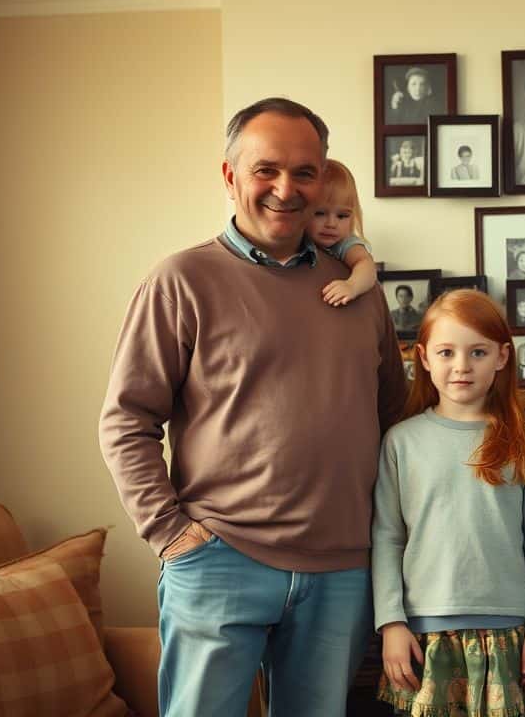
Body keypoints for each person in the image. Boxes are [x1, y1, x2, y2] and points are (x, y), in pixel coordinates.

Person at [99, 97, 408, 716]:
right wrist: (171, 535)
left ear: (324, 176)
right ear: (230, 175)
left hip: (342, 569)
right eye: (266, 169)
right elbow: (126, 419)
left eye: (305, 172)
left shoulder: (361, 293)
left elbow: (395, 416)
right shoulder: (181, 280)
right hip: (218, 558)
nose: (285, 189)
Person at [372, 289, 525, 717]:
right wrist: (391, 623)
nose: (461, 366)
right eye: (446, 352)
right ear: (422, 357)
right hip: (423, 630)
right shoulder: (401, 441)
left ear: (502, 357)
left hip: (509, 627)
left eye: (477, 352)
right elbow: (386, 537)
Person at [310, 159, 377, 306]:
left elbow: (366, 264)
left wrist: (352, 285)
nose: (331, 224)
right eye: (320, 213)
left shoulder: (345, 243)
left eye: (342, 216)